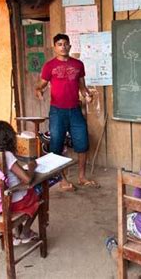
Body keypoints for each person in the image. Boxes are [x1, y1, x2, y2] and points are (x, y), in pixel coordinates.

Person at [35, 33, 99, 190]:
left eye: (65, 44)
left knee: (82, 143)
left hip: (75, 110)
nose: (63, 46)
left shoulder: (78, 65)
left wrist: (87, 95)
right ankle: (62, 180)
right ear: (55, 47)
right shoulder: (49, 66)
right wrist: (39, 92)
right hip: (57, 112)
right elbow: (40, 85)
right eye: (59, 44)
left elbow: (82, 87)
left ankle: (82, 177)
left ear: (70, 46)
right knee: (56, 145)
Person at [0, 120, 40, 245]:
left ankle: (16, 234)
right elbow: (27, 179)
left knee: (13, 191)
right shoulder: (7, 155)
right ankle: (25, 232)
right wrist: (32, 166)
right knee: (38, 193)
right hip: (12, 204)